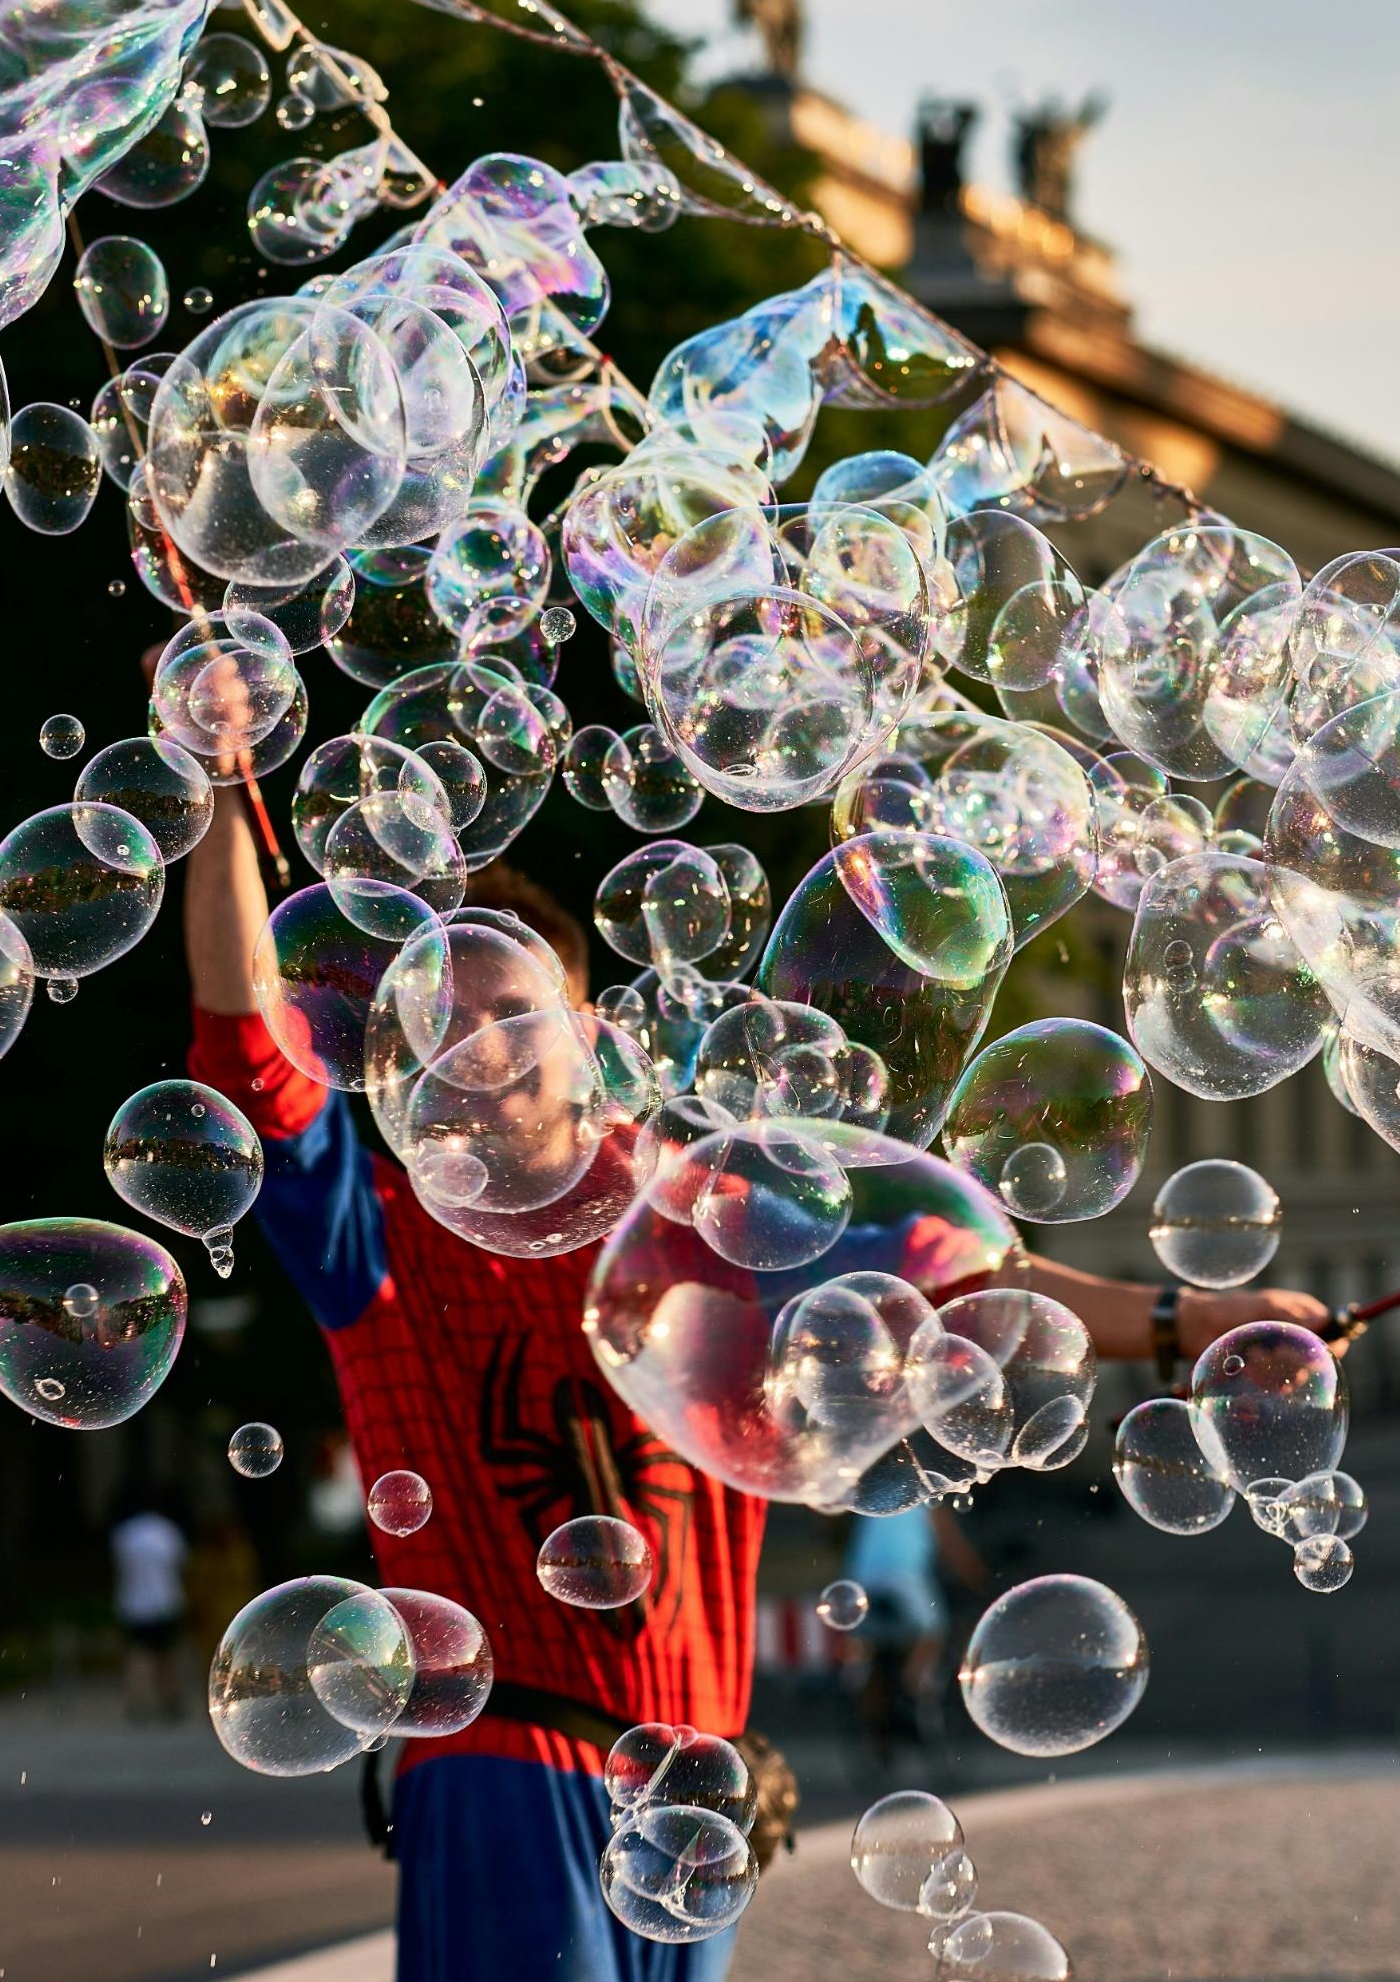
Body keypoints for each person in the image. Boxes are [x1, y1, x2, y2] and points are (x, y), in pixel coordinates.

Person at [182, 784, 1334, 1981]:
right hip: (502, 1764)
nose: (483, 1059)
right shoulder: (382, 1238)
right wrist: (220, 790)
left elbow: (943, 1269)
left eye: (514, 1018)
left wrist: (1186, 1319)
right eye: (445, 1031)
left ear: (589, 1036)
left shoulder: (704, 1212)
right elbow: (251, 1052)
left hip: (703, 1785)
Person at [841, 1500, 984, 1761]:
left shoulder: (874, 1503)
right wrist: (976, 1579)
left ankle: (874, 1726)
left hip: (860, 1581)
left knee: (872, 1648)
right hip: (901, 1579)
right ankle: (912, 1686)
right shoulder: (927, 1503)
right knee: (932, 1630)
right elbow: (954, 1549)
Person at [111, 1486, 189, 1721]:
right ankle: (170, 1701)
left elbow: (119, 1566)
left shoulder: (125, 1534)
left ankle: (139, 1703)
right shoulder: (167, 1531)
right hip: (165, 1601)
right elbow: (180, 1562)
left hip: (134, 1604)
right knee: (167, 1654)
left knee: (138, 1656)